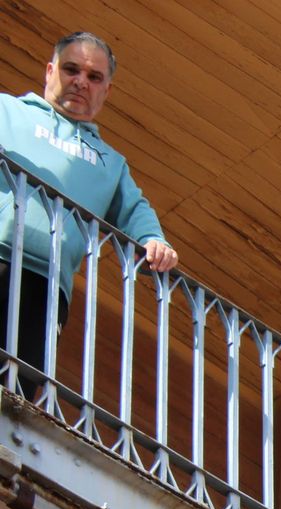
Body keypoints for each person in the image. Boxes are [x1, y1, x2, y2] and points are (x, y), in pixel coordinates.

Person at [1, 32, 178, 384]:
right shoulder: (7, 110)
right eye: (71, 70)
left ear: (106, 90)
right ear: (50, 71)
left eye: (94, 77)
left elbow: (135, 210)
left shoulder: (110, 163)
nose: (81, 82)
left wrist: (154, 240)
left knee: (14, 395)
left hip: (48, 286)